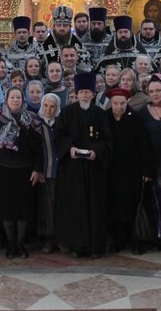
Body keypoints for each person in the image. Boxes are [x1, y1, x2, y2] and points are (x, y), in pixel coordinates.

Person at [54, 72, 112, 258]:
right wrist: (69, 147)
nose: (85, 95)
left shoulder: (100, 114)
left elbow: (107, 140)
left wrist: (97, 150)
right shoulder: (67, 112)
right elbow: (59, 136)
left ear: (93, 94)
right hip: (73, 171)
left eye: (88, 92)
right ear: (76, 94)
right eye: (82, 92)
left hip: (94, 170)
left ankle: (95, 247)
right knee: (75, 208)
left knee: (95, 208)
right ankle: (76, 246)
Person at [0, 87, 44, 259]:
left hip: (26, 170)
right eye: (12, 97)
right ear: (6, 99)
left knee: (23, 209)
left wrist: (37, 169)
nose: (15, 100)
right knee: (7, 210)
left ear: (23, 99)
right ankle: (11, 244)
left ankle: (20, 245)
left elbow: (38, 149)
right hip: (4, 170)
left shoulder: (31, 120)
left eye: (18, 97)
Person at [105, 87, 154, 254]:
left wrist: (148, 170)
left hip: (133, 172)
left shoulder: (135, 119)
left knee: (133, 207)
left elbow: (145, 146)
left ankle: (136, 241)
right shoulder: (105, 118)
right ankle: (119, 240)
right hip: (112, 172)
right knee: (115, 207)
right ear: (111, 104)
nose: (119, 107)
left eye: (122, 103)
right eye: (115, 103)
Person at [35, 92, 62, 253]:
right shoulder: (36, 125)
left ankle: (60, 237)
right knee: (46, 208)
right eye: (46, 105)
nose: (49, 109)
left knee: (59, 206)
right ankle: (48, 239)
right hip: (44, 173)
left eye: (52, 106)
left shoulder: (61, 124)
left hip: (60, 173)